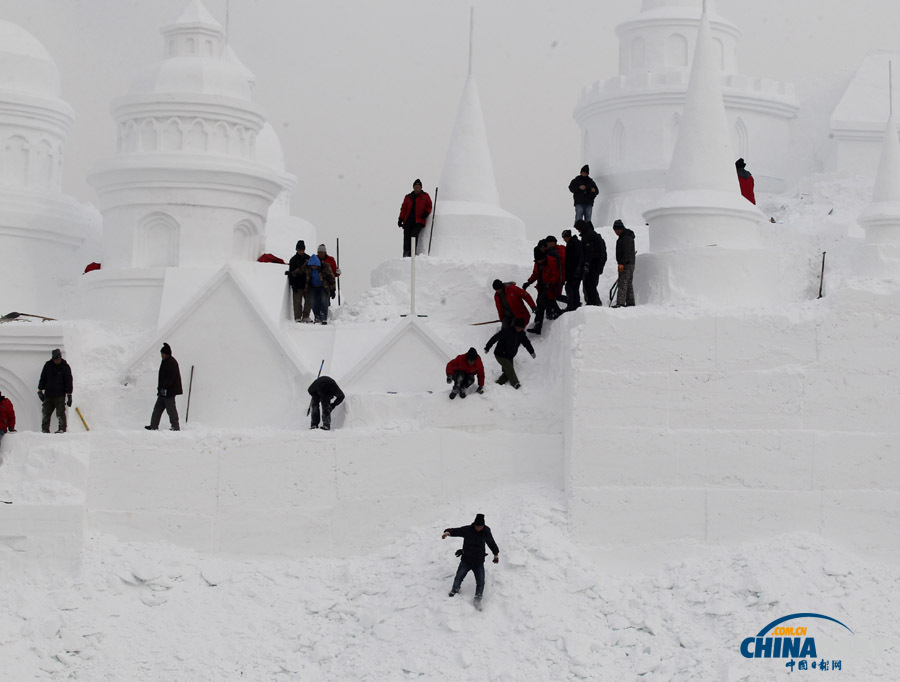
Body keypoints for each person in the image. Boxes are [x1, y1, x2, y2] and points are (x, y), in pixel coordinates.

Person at [442, 512, 500, 607]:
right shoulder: (468, 530)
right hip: (466, 559)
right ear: (474, 525)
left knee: (480, 581)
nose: (479, 528)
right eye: (477, 526)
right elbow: (456, 531)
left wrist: (496, 554)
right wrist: (447, 533)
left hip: (478, 561)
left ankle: (478, 599)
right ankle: (455, 589)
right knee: (459, 576)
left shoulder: (486, 531)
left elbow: (491, 543)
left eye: (481, 527)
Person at [484, 318, 535, 389]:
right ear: (514, 326)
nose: (518, 329)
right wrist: (487, 347)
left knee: (508, 372)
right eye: (517, 327)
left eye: (520, 328)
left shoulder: (522, 335)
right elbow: (495, 338)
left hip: (509, 355)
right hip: (500, 354)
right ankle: (515, 383)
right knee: (510, 368)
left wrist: (532, 352)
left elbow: (527, 343)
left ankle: (499, 383)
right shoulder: (507, 331)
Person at [523, 244, 562, 335]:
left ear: (544, 257)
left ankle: (557, 313)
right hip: (541, 286)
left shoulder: (552, 262)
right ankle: (537, 326)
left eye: (541, 260)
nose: (540, 262)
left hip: (551, 287)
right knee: (539, 304)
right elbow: (535, 274)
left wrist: (550, 283)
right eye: (538, 260)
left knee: (544, 299)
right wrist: (528, 282)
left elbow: (556, 275)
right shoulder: (537, 263)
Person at [145, 343, 182, 431]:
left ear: (166, 354)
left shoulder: (172, 362)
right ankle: (153, 425)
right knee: (157, 408)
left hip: (169, 391)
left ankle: (175, 426)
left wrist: (165, 388)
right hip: (163, 391)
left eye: (162, 354)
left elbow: (170, 378)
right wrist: (160, 388)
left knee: (171, 409)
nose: (161, 355)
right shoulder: (165, 361)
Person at [38, 348, 73, 434]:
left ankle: (62, 428)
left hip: (60, 395)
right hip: (48, 394)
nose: (56, 361)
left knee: (60, 412)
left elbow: (69, 381)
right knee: (46, 412)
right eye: (55, 359)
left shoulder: (65, 367)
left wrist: (69, 395)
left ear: (60, 357)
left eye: (58, 359)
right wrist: (40, 390)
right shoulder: (47, 365)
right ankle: (45, 429)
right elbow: (43, 378)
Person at [397, 179, 433, 257]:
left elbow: (429, 205)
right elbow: (403, 208)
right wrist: (400, 219)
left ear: (421, 187)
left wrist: (426, 213)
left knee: (413, 235)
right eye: (415, 187)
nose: (417, 189)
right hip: (408, 220)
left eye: (418, 187)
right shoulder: (408, 197)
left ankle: (412, 253)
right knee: (406, 237)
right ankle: (406, 253)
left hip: (418, 221)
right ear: (413, 187)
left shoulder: (425, 196)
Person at [575, 220, 607, 306]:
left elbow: (590, 252)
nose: (578, 231)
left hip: (593, 265)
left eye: (578, 229)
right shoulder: (589, 235)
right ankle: (593, 301)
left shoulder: (589, 236)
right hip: (594, 265)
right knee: (589, 284)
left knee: (590, 284)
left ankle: (593, 302)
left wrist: (586, 265)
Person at [611, 219, 637, 308]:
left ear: (619, 229)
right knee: (628, 283)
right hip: (630, 263)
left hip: (626, 263)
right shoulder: (626, 236)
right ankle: (630, 302)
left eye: (615, 230)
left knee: (623, 282)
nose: (615, 232)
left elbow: (626, 252)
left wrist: (622, 263)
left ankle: (620, 303)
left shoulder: (625, 237)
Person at [304, 254, 337, 324]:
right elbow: (300, 271)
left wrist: (333, 290)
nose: (313, 267)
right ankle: (317, 316)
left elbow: (332, 278)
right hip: (313, 286)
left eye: (315, 265)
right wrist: (292, 274)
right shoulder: (307, 267)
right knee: (313, 302)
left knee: (324, 300)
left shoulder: (325, 266)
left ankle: (324, 316)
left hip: (323, 286)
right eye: (312, 266)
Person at [286, 240, 311, 322]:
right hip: (297, 284)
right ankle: (297, 317)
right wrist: (293, 284)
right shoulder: (293, 260)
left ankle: (306, 316)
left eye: (302, 249)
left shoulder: (308, 258)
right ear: (296, 249)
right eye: (299, 249)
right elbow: (292, 273)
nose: (301, 251)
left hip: (307, 284)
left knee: (308, 301)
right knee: (297, 302)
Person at [561, 229, 582, 311]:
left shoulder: (572, 244)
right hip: (576, 271)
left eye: (564, 238)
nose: (564, 240)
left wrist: (575, 270)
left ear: (567, 237)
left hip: (574, 271)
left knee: (569, 287)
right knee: (575, 288)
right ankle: (576, 304)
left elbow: (573, 260)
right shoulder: (574, 243)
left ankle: (571, 305)